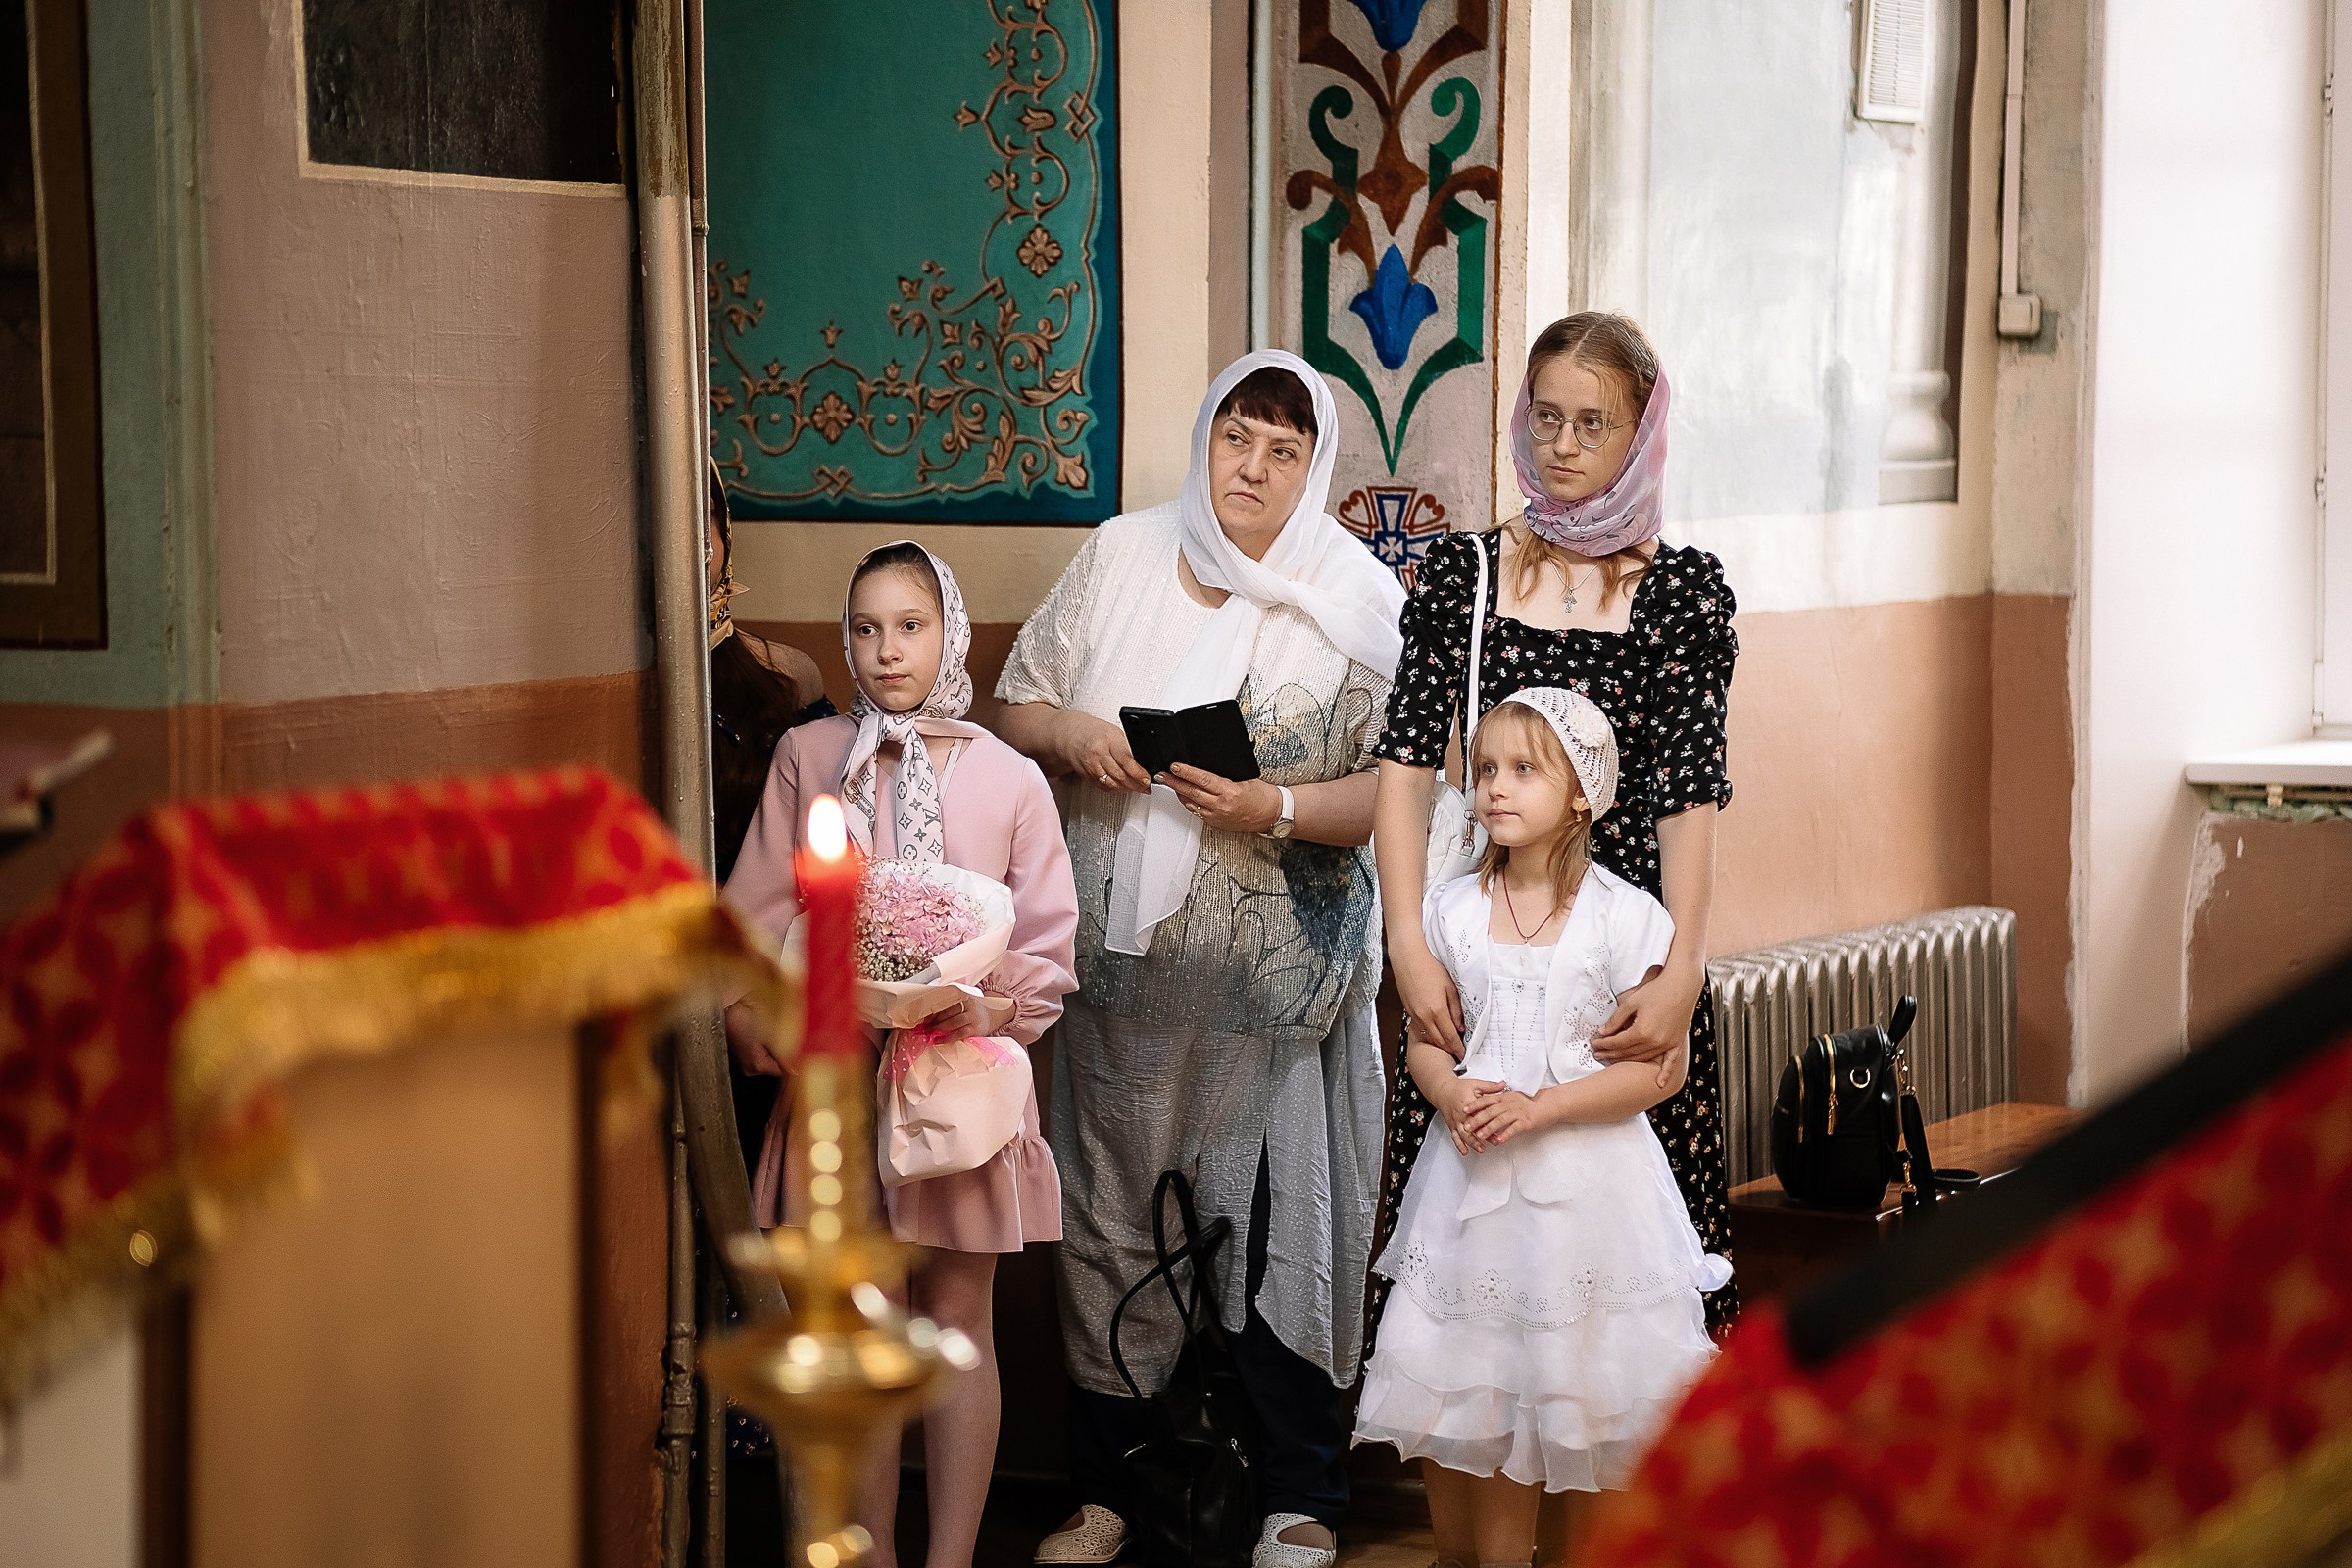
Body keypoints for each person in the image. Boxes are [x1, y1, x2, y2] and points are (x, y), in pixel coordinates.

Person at [994, 351, 1405, 1568]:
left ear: (1316, 466)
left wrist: (1272, 806)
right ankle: (1116, 1489)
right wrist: (1078, 735)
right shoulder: (1122, 555)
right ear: (1206, 435)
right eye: (1239, 435)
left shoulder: (1358, 597)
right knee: (1112, 1229)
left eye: (1286, 449)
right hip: (1119, 989)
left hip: (1272, 1005)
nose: (1254, 467)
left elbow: (1401, 792)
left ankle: (1297, 1495)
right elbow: (1015, 708)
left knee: (1275, 1227)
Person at [1369, 313, 1740, 1357]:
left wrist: (1682, 972)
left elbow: (1690, 797)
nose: (1565, 444)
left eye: (1594, 423)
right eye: (1547, 419)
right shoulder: (1464, 577)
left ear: (1641, 434)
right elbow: (1403, 770)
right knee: (1477, 1253)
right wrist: (1408, 946)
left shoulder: (1680, 594)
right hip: (1485, 949)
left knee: (1618, 1298)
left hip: (1618, 961)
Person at [725, 541, 1078, 1568]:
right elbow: (758, 914)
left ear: (949, 634)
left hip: (956, 1088)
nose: (888, 652)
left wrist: (985, 1005)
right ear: (844, 638)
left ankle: (952, 1556)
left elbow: (1045, 935)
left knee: (960, 1318)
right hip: (839, 1088)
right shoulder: (810, 758)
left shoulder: (1006, 776)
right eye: (868, 629)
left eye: (911, 627)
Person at [1353, 688, 1730, 1567]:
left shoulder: (1624, 916)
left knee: (1573, 1386)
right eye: (1485, 769)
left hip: (1592, 1203)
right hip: (1470, 1194)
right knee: (1471, 1384)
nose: (1494, 788)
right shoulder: (1448, 912)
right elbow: (1424, 1045)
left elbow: (1647, 1074)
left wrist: (1541, 1106)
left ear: (1580, 793)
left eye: (1524, 770)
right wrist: (1450, 1096)